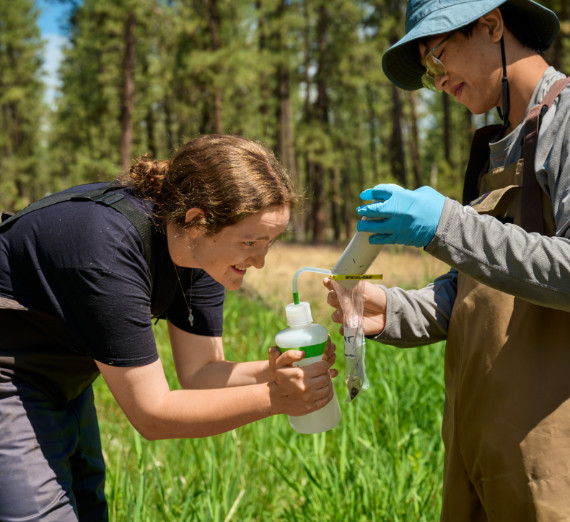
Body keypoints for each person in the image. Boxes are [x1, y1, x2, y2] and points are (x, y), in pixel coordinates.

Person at [0, 134, 337, 521]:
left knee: (89, 509)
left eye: (270, 243)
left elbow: (202, 374)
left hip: (66, 377)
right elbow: (152, 414)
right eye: (250, 241)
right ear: (196, 221)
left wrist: (279, 371)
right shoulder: (106, 246)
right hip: (9, 375)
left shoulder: (204, 258)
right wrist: (276, 398)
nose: (259, 260)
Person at [325, 0, 570, 519]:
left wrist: (444, 225)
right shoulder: (492, 146)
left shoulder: (566, 122)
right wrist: (390, 310)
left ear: (492, 24)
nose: (436, 81)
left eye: (436, 57)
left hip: (550, 462)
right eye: (427, 72)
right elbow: (482, 294)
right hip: (477, 451)